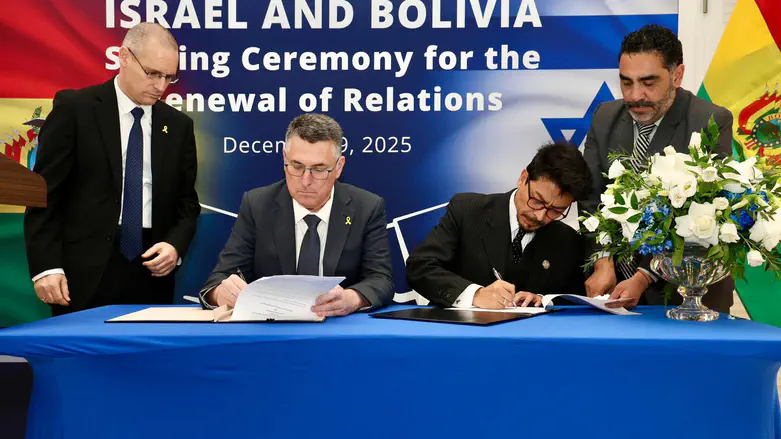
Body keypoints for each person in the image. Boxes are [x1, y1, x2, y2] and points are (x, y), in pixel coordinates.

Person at [24, 23, 200, 315]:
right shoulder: (75, 109)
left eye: (169, 77)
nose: (161, 86)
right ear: (124, 57)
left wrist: (174, 246)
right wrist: (46, 267)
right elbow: (44, 193)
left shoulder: (179, 126)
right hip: (82, 273)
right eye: (152, 73)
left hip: (150, 271)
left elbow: (187, 202)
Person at [582, 24, 734, 312]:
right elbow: (590, 198)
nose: (635, 95)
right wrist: (602, 260)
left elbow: (703, 212)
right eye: (626, 82)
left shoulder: (710, 121)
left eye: (648, 83)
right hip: (611, 291)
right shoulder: (604, 116)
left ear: (677, 75)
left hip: (684, 295)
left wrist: (643, 276)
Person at [200, 114, 394, 317]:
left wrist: (351, 299)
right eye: (297, 166)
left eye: (319, 169)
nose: (306, 181)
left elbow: (381, 279)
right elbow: (217, 281)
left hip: (338, 328)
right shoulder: (257, 205)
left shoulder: (367, 207)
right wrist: (221, 294)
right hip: (272, 327)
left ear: (339, 166)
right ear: (285, 157)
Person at [406, 141, 592, 309]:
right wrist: (475, 294)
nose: (540, 216)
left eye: (556, 211)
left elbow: (575, 299)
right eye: (537, 200)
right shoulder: (467, 211)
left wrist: (543, 300)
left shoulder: (567, 240)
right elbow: (420, 266)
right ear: (523, 178)